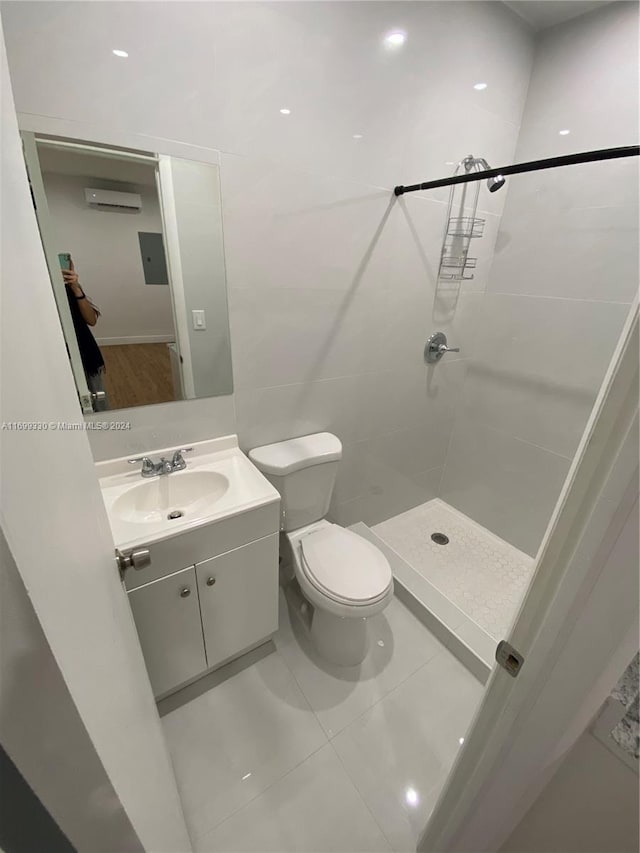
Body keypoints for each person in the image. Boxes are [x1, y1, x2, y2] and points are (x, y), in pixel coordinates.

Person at [61, 259, 110, 411]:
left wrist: (75, 288)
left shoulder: (72, 288)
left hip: (87, 355)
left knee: (98, 406)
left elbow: (91, 319)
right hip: (60, 358)